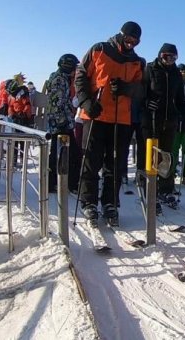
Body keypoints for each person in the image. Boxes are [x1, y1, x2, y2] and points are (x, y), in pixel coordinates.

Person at [75, 21, 144, 227]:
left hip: (121, 119)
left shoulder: (138, 62)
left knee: (115, 164)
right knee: (91, 160)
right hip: (96, 115)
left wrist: (126, 88)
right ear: (121, 35)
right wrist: (86, 102)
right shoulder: (100, 49)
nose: (132, 43)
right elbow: (81, 76)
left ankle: (110, 202)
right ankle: (88, 201)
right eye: (129, 39)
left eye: (136, 41)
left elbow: (140, 90)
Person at [142, 43, 185, 208]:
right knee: (152, 156)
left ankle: (166, 189)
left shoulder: (176, 73)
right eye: (166, 57)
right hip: (152, 119)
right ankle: (149, 189)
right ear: (160, 55)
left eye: (173, 57)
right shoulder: (150, 69)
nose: (169, 60)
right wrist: (147, 102)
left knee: (167, 156)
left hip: (170, 121)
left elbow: (180, 99)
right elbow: (140, 93)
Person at [46, 54, 81, 194]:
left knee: (60, 153)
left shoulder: (60, 77)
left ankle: (56, 182)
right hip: (61, 123)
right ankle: (67, 183)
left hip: (60, 122)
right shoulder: (59, 79)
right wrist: (66, 120)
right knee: (67, 153)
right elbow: (58, 103)